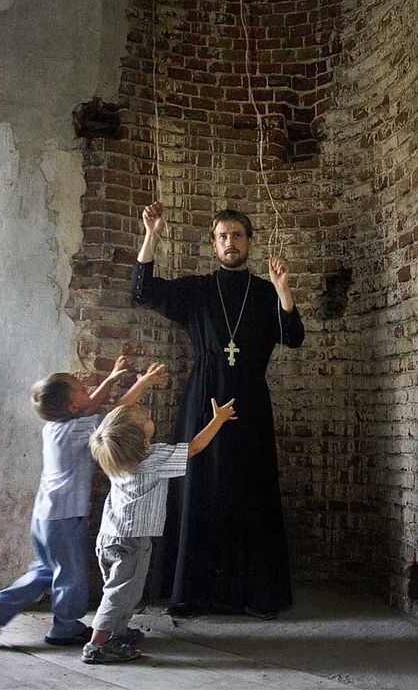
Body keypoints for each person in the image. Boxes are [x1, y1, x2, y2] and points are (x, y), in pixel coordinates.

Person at [131, 202, 305, 618]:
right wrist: (152, 234)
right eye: (223, 236)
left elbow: (294, 337)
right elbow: (143, 291)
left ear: (249, 243)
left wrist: (284, 291)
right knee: (199, 488)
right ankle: (192, 593)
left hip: (250, 401)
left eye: (238, 236)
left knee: (252, 488)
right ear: (213, 244)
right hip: (202, 397)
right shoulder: (197, 290)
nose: (231, 242)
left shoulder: (264, 292)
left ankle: (256, 596)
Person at [0, 357, 163, 646]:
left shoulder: (54, 427)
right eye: (83, 391)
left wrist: (109, 380)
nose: (90, 392)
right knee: (71, 576)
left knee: (46, 571)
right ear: (74, 407)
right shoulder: (78, 431)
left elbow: (90, 406)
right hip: (64, 516)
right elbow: (115, 417)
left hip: (44, 515)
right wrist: (143, 383)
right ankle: (65, 627)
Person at [81, 392, 237, 664]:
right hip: (131, 540)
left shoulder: (115, 457)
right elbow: (195, 448)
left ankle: (117, 632)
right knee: (120, 594)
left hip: (110, 536)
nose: (149, 417)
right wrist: (218, 420)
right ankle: (96, 645)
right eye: (145, 419)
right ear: (140, 438)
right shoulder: (151, 457)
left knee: (121, 589)